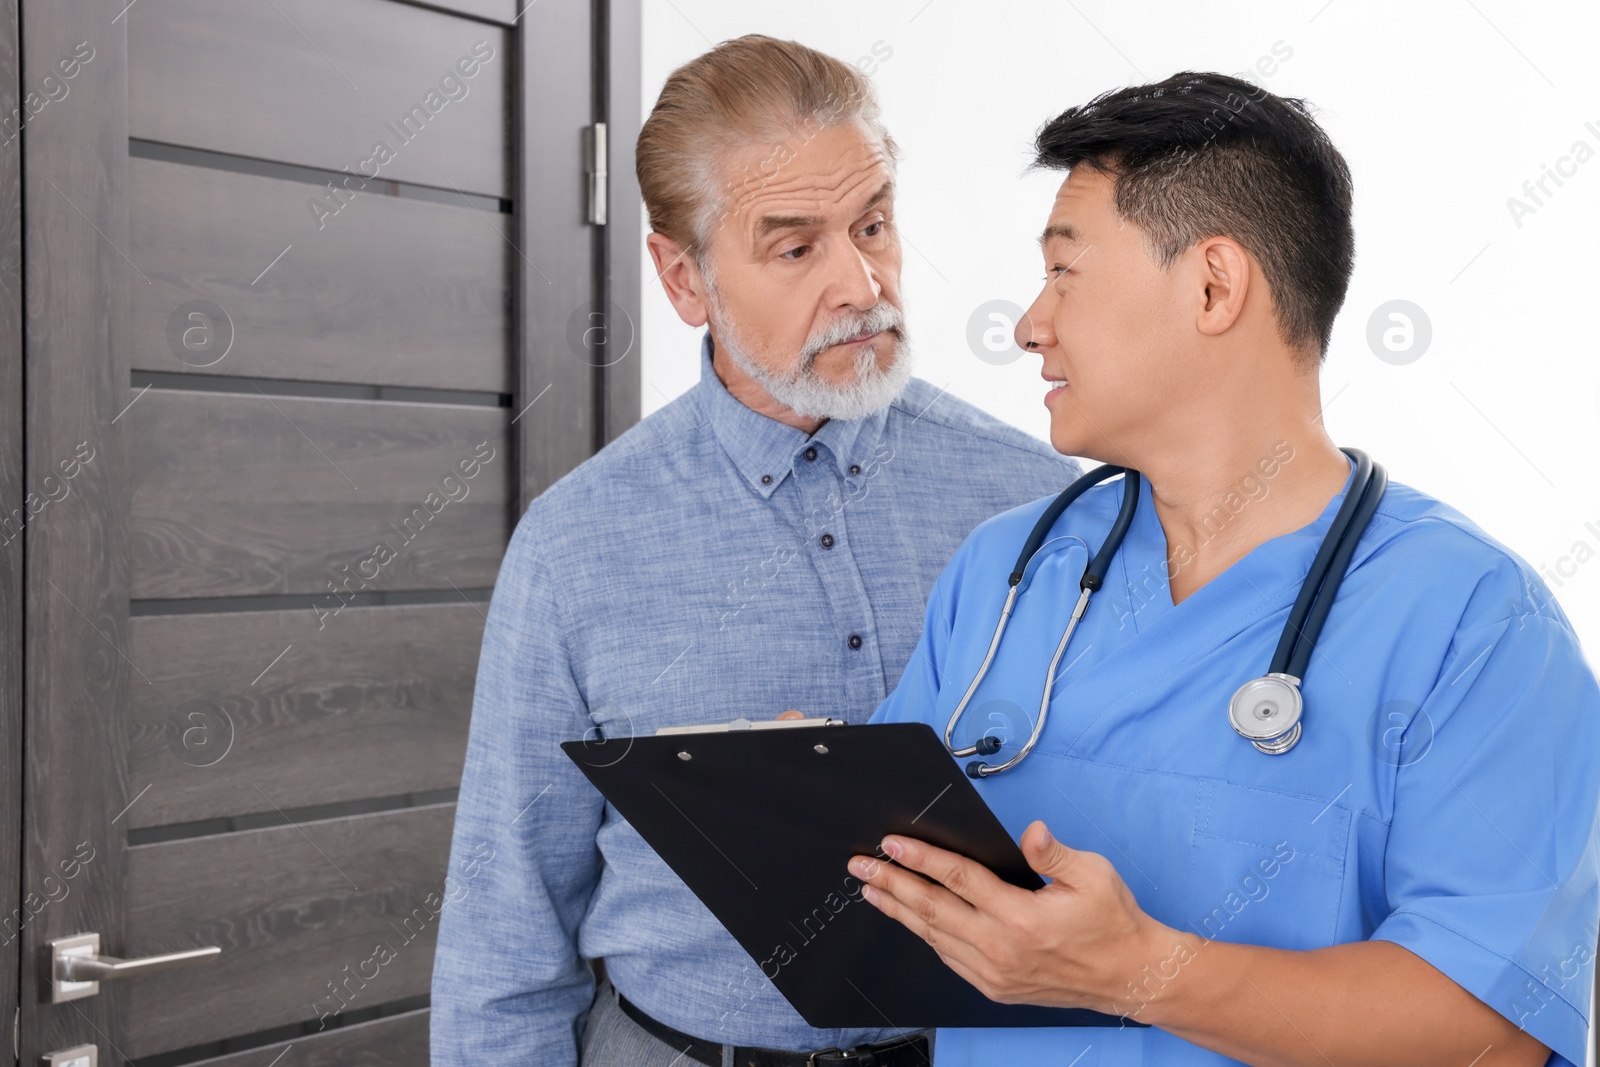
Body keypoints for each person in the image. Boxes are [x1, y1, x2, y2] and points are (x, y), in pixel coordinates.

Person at [845, 72, 1600, 1066]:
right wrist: (799, 802)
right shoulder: (1005, 575)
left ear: (1212, 285)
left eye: (1064, 271)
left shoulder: (1475, 624)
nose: (1030, 322)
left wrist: (1135, 969)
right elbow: (898, 897)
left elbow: (1492, 1027)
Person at [429, 35, 1081, 1066]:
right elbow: (505, 929)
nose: (861, 282)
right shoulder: (573, 546)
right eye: (794, 247)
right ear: (683, 277)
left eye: (873, 224)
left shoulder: (1045, 504)